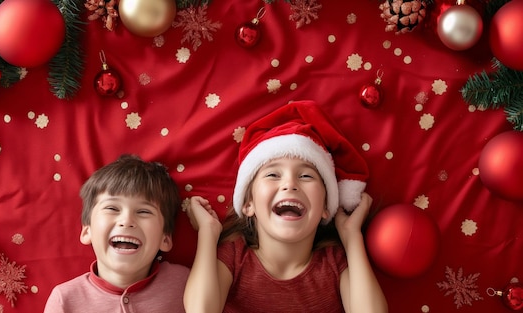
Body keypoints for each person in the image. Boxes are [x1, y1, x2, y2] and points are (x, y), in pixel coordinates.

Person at [183, 100, 388, 313]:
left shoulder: (333, 262)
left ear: (326, 207)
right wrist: (208, 232)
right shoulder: (235, 256)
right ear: (248, 204)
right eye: (273, 174)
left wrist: (351, 236)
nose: (290, 184)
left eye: (306, 175)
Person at [44, 154, 189, 313]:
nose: (126, 221)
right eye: (112, 208)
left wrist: (207, 231)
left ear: (165, 238)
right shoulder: (64, 300)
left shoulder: (186, 284)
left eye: (143, 211)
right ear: (87, 231)